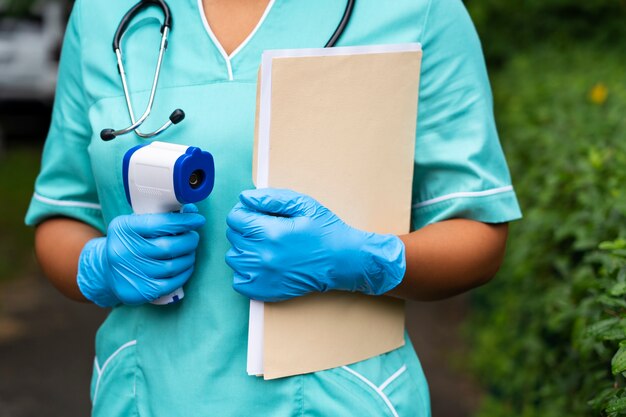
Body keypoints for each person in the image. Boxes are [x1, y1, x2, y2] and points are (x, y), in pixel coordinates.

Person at [26, 0, 522, 415]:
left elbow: (477, 232)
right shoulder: (102, 14)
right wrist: (100, 266)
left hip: (341, 400)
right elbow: (61, 214)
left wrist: (362, 260)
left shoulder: (416, 9)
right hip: (145, 396)